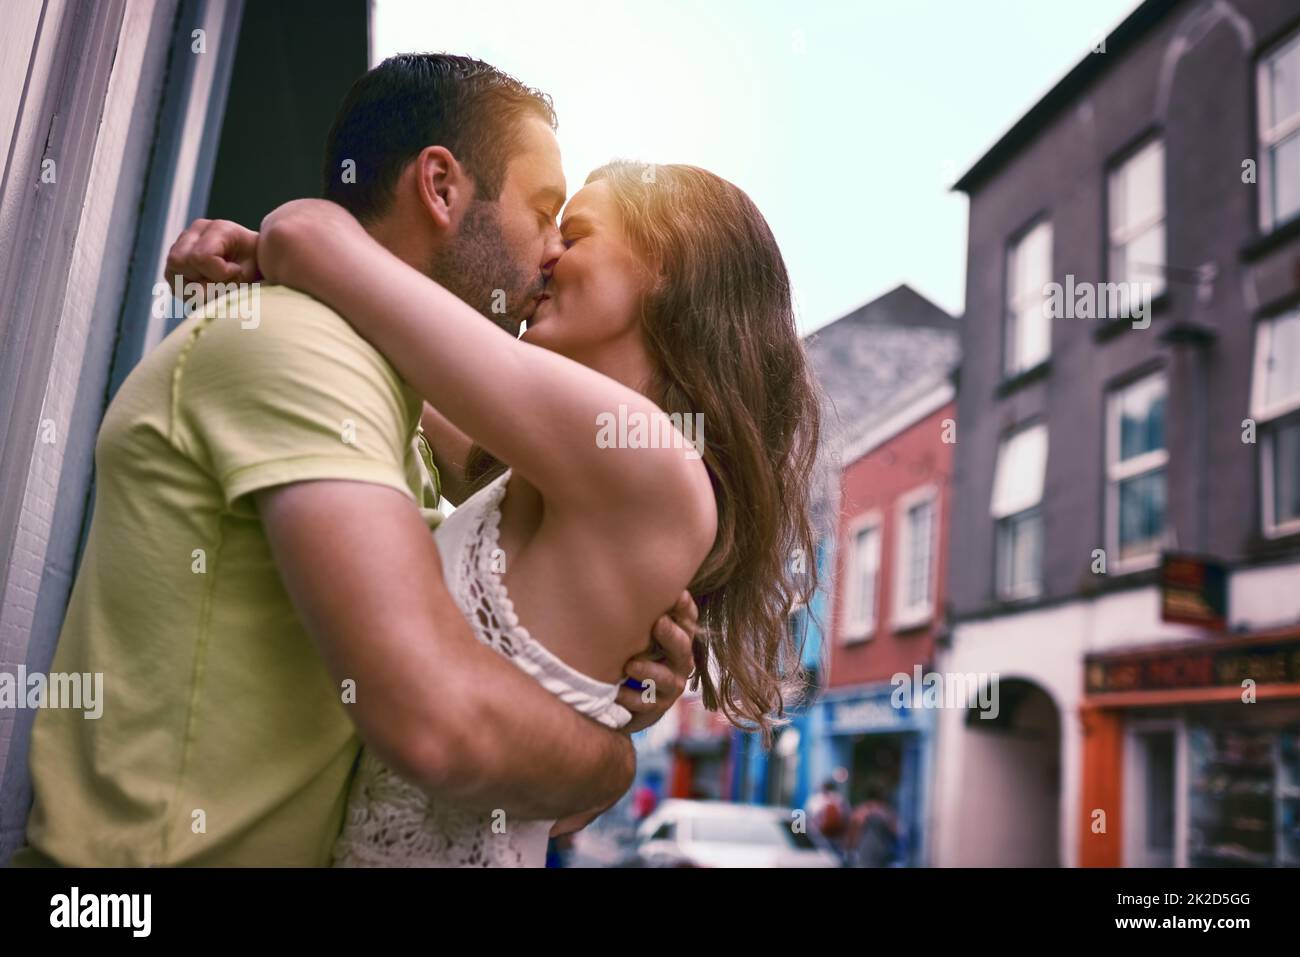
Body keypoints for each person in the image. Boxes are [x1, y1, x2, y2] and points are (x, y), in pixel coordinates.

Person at [11, 54, 700, 868]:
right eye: (546, 211)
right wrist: (614, 759)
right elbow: (436, 720)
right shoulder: (304, 352)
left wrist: (613, 693)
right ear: (441, 187)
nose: (552, 251)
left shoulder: (394, 415)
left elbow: (490, 700)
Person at [144, 56, 822, 866]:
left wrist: (277, 242)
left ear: (666, 268)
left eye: (572, 234)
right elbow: (395, 359)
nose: (545, 258)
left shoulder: (651, 464)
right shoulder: (535, 473)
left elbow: (315, 241)